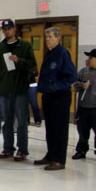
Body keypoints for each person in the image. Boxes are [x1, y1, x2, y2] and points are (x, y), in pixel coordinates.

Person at [0, 19, 37, 162]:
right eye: (4, 29)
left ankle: (22, 149)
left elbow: (33, 66)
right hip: (4, 90)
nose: (7, 31)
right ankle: (8, 148)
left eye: (9, 28)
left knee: (21, 122)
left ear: (14, 29)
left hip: (20, 89)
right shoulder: (1, 47)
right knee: (7, 121)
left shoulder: (25, 46)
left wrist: (19, 60)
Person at [33, 28, 77, 170]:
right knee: (50, 128)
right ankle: (51, 155)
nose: (47, 40)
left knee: (60, 129)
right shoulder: (49, 54)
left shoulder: (63, 53)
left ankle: (59, 159)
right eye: (46, 37)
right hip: (48, 96)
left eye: (50, 37)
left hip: (60, 97)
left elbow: (72, 76)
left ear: (58, 38)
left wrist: (56, 86)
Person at [72, 48, 96, 162]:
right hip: (83, 107)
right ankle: (81, 150)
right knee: (82, 131)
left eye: (91, 58)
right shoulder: (84, 71)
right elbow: (74, 83)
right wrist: (81, 85)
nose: (88, 60)